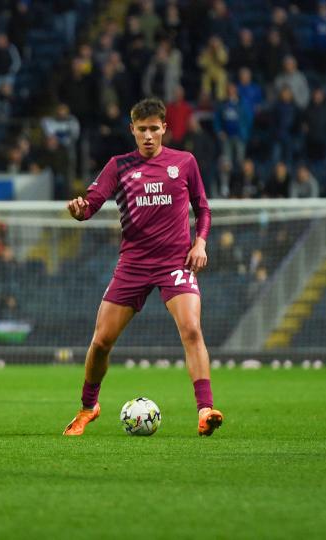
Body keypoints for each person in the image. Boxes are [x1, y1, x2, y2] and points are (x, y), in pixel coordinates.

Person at [62, 98, 223, 437]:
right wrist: (79, 210)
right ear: (132, 130)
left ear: (165, 128)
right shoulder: (119, 166)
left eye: (154, 129)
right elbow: (90, 205)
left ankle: (205, 410)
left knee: (192, 329)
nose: (148, 135)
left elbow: (203, 209)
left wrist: (200, 243)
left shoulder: (185, 162)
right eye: (142, 129)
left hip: (175, 262)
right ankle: (88, 407)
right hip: (133, 264)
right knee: (101, 342)